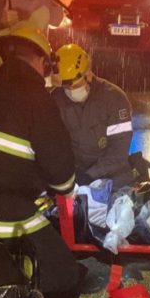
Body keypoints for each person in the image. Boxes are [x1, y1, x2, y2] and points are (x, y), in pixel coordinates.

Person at [0, 25, 81, 294]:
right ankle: (17, 283)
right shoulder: (36, 98)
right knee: (65, 275)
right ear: (42, 62)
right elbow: (61, 172)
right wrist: (63, 188)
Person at [52, 43, 134, 190]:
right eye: (66, 87)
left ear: (88, 74)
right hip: (75, 179)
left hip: (113, 180)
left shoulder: (115, 99)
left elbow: (118, 151)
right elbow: (53, 145)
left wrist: (90, 175)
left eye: (75, 85)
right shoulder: (57, 99)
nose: (70, 91)